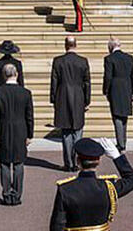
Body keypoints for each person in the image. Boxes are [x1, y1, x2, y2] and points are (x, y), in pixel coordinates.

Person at [49, 137, 133, 231]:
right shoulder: (108, 187)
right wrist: (116, 156)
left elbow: (57, 225)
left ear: (78, 161)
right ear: (99, 162)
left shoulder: (66, 189)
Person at [0, 63, 34, 205]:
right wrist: (30, 134)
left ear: (4, 75)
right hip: (21, 129)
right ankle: (17, 194)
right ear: (17, 74)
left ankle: (7, 193)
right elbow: (29, 116)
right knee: (18, 163)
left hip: (3, 128)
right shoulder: (25, 93)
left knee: (4, 162)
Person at [50, 36, 91, 172]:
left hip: (62, 96)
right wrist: (87, 100)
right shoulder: (82, 61)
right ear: (75, 45)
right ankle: (78, 162)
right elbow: (87, 82)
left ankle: (69, 163)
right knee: (78, 131)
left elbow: (54, 81)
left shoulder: (58, 61)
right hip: (78, 96)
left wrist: (53, 99)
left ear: (65, 45)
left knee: (66, 133)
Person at [103, 38, 133, 152]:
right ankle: (123, 141)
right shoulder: (129, 58)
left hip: (115, 88)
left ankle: (121, 143)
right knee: (124, 117)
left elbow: (108, 76)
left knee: (117, 116)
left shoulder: (109, 59)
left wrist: (105, 90)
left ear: (111, 47)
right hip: (127, 88)